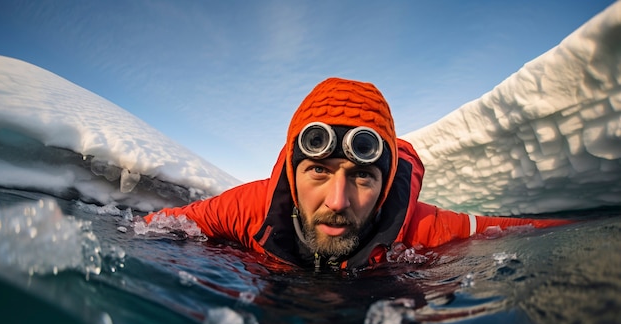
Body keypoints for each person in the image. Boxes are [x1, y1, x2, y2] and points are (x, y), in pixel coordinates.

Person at [144, 77, 568, 271]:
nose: (337, 201)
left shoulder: (420, 227)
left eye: (362, 177)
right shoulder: (250, 208)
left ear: (386, 189)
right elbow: (161, 227)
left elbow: (519, 229)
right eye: (318, 172)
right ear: (293, 175)